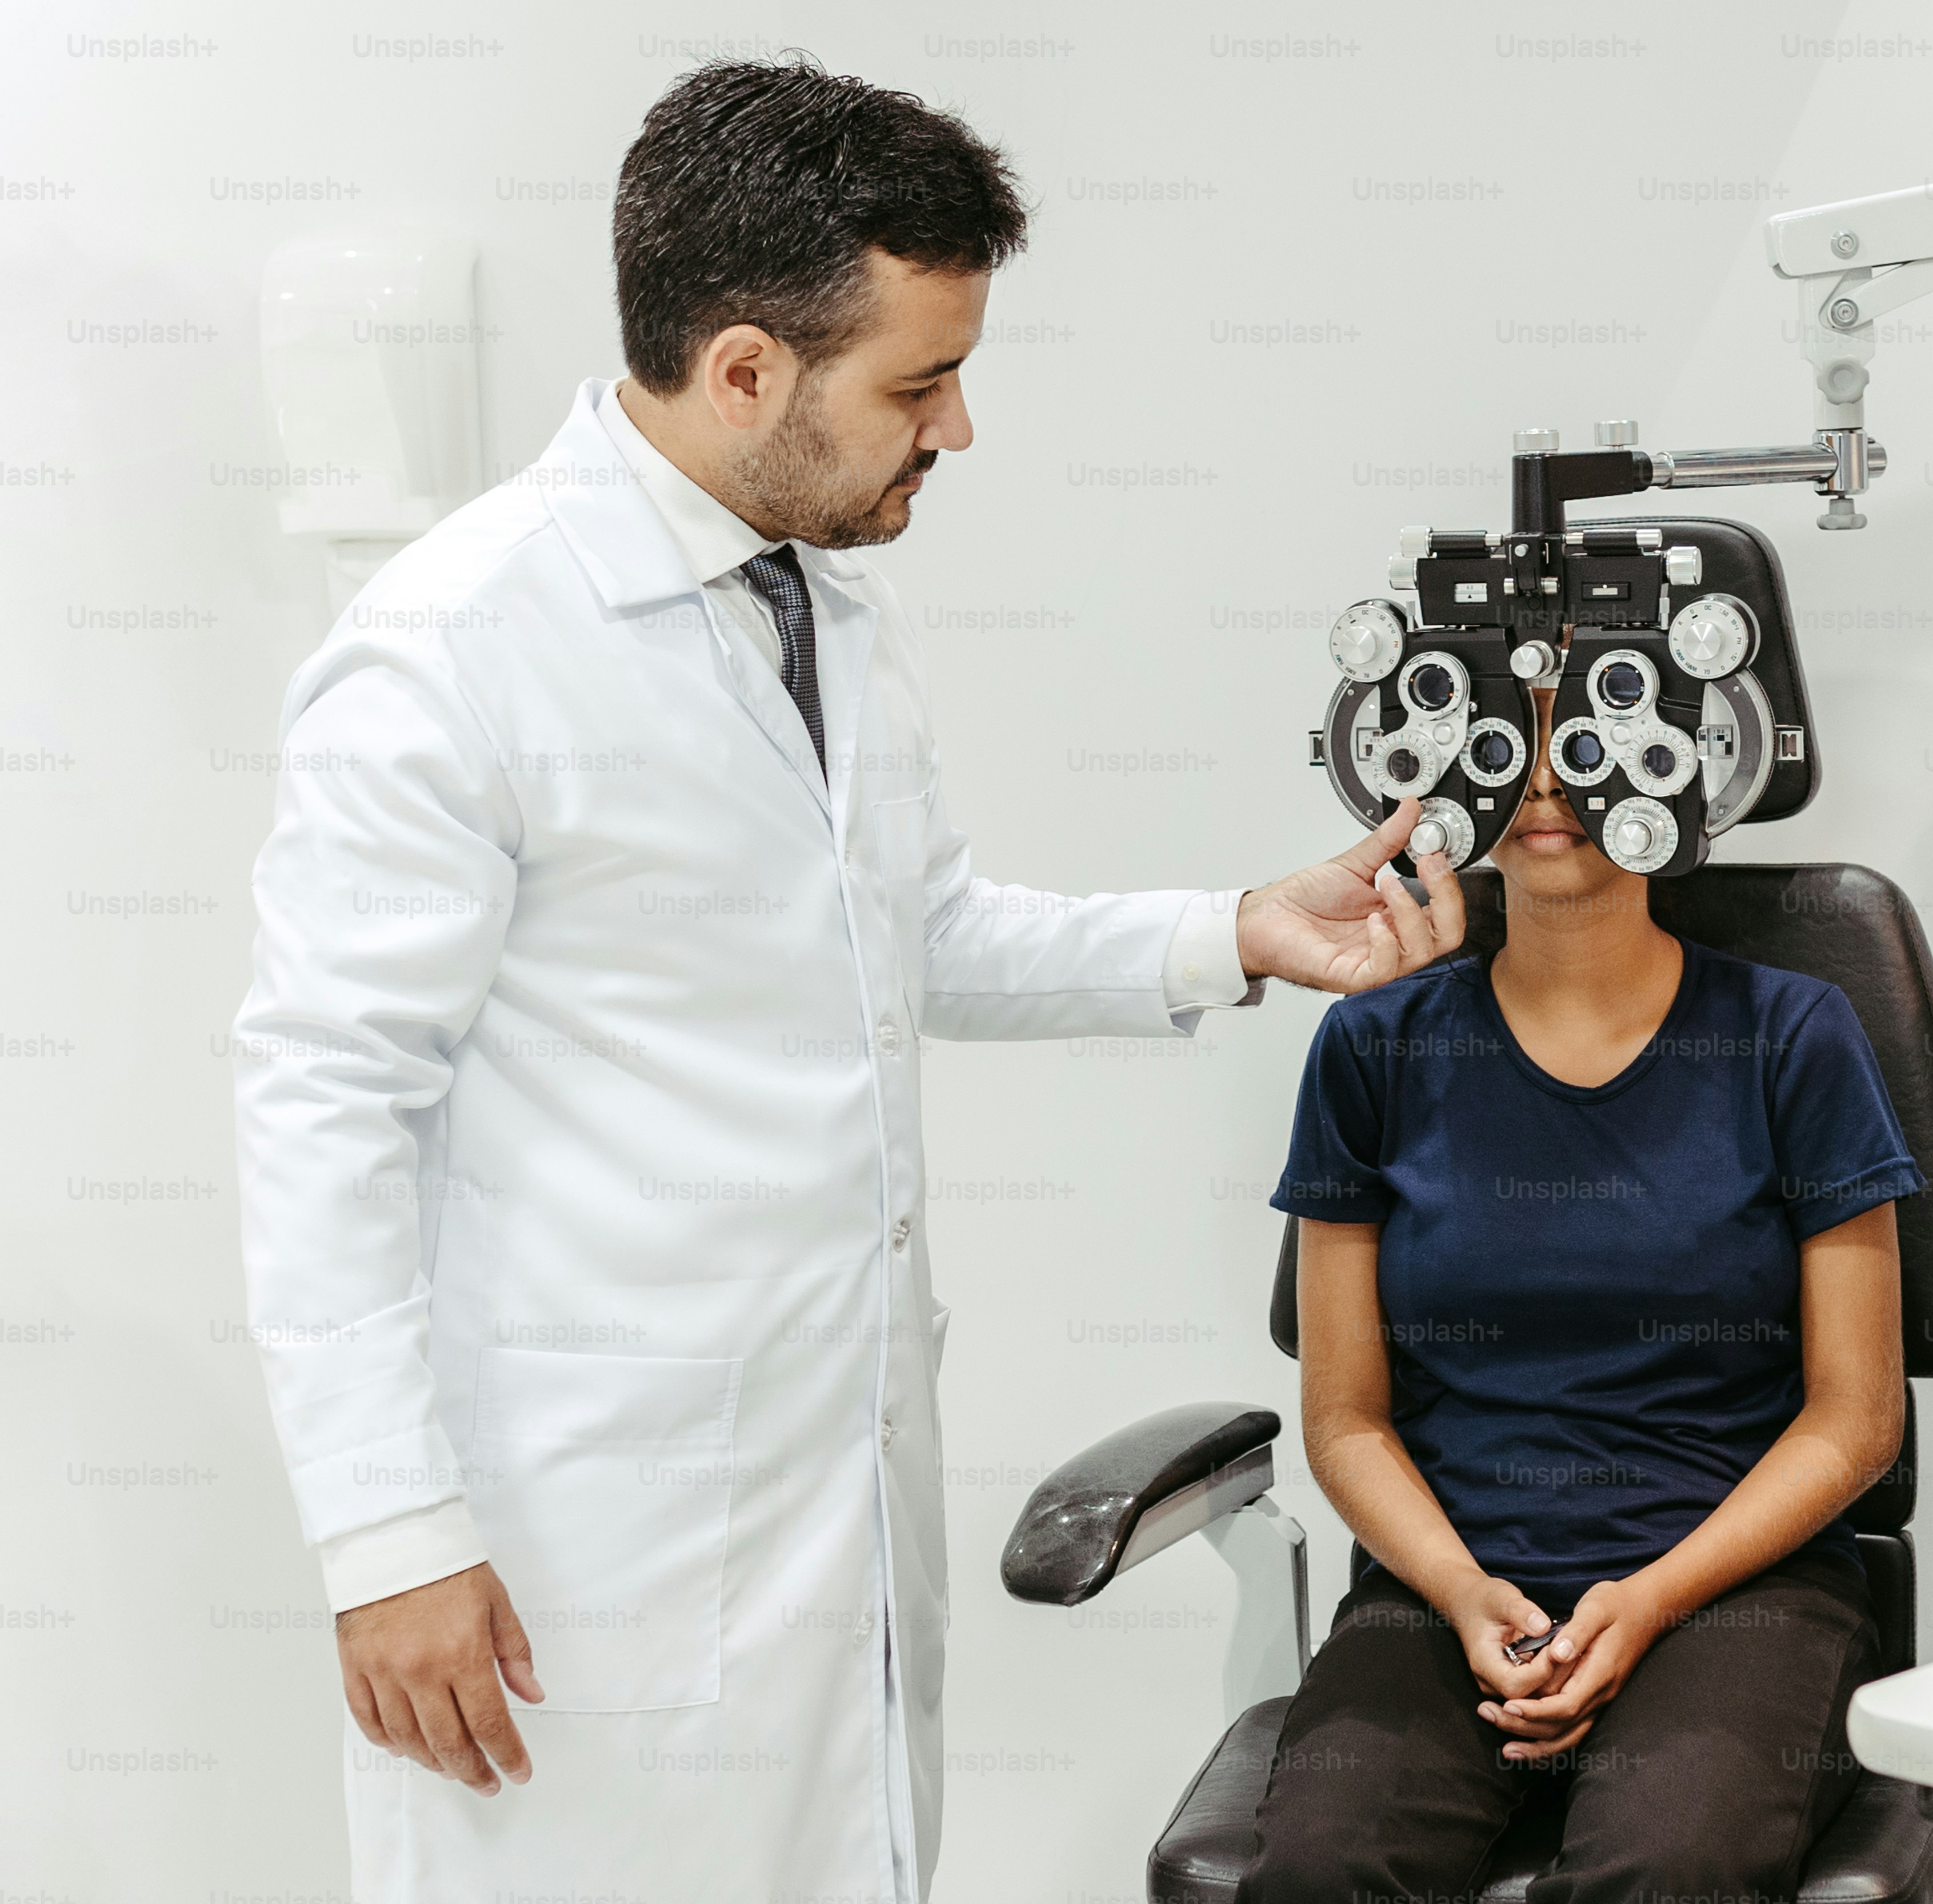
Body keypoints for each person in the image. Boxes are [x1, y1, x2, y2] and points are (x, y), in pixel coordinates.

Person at [230, 59, 1462, 1904]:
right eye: (919, 382)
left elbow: (917, 930)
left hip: (829, 1505)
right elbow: (320, 1105)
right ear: (744, 371)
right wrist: (387, 1535)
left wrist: (1235, 931)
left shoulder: (825, 608)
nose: (957, 427)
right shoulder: (447, 655)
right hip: (580, 1560)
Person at [1246, 682, 1920, 1904]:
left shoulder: (1790, 1035)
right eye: (1512, 734)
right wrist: (1459, 1590)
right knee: (1317, 1873)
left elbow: (1855, 1416)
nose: (1548, 777)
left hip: (1731, 1581)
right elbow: (1345, 1415)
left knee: (1669, 1869)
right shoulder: (1375, 1044)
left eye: (1591, 731)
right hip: (1452, 1581)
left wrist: (1652, 1597)